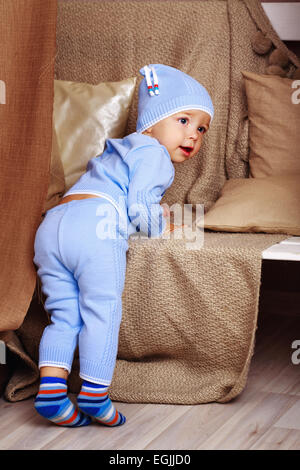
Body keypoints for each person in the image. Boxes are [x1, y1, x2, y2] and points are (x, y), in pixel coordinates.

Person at [33, 64, 214, 427]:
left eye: (201, 128)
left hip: (52, 226)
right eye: (183, 120)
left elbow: (123, 195)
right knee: (103, 308)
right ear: (150, 123)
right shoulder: (154, 153)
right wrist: (161, 226)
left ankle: (51, 390)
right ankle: (96, 393)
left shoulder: (118, 151)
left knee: (65, 315)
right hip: (93, 228)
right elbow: (140, 205)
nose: (193, 134)